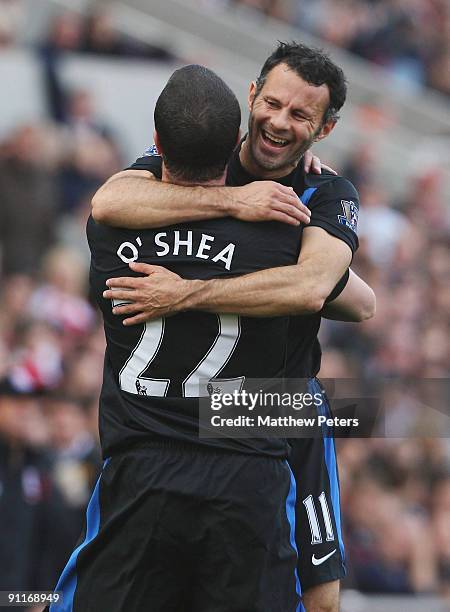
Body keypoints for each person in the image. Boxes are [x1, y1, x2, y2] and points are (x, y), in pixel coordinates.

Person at [93, 42, 376, 611]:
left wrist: (186, 293)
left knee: (321, 600)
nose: (278, 122)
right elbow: (107, 200)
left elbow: (341, 296)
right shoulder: (203, 153)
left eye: (300, 116)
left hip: (278, 407)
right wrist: (234, 201)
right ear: (252, 96)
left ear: (324, 129)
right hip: (190, 426)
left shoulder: (326, 193)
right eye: (272, 103)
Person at [48, 64, 319, 612]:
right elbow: (355, 301)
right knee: (323, 599)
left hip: (141, 470)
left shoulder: (113, 228)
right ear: (235, 148)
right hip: (248, 467)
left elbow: (107, 199)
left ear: (154, 145)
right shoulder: (284, 234)